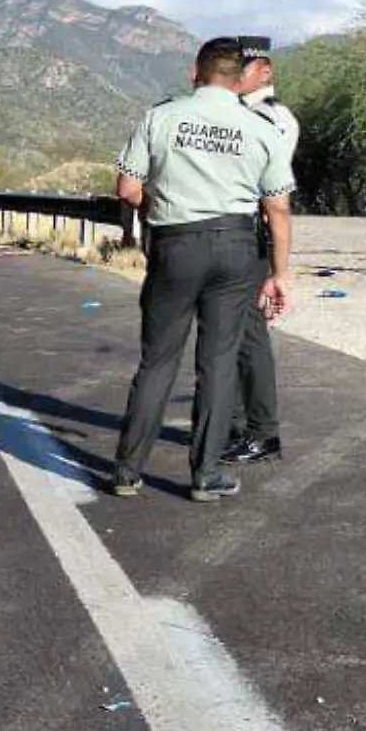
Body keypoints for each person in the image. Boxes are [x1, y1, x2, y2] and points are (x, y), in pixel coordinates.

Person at [111, 37, 296, 502]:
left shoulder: (161, 116)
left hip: (176, 244)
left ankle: (128, 471)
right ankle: (205, 474)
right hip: (236, 248)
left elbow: (127, 188)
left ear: (195, 72)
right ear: (239, 80)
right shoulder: (260, 127)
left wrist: (163, 208)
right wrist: (279, 273)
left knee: (157, 360)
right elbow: (278, 209)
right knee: (217, 361)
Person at [222, 35, 299, 466]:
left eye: (244, 68)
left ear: (264, 72)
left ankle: (262, 431)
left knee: (249, 334)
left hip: (251, 230)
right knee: (227, 333)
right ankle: (229, 424)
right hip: (229, 232)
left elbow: (270, 188)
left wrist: (278, 267)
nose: (236, 75)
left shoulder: (273, 117)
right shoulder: (235, 113)